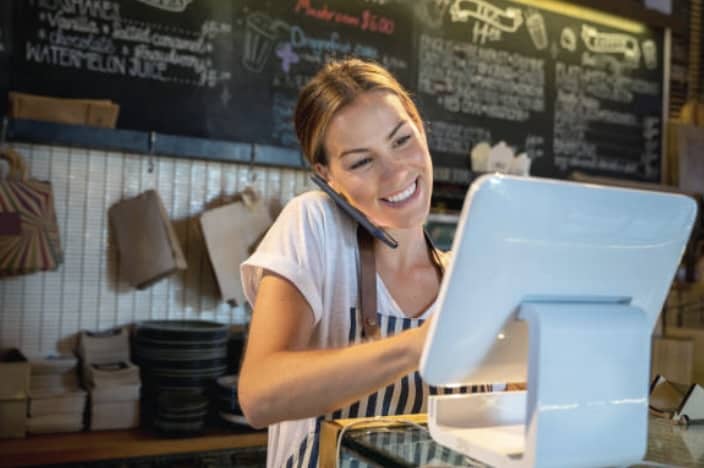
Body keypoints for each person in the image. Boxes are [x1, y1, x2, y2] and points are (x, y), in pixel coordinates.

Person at [238, 58, 487, 468]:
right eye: (361, 161)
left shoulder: (473, 277)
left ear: (420, 128)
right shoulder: (315, 225)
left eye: (401, 140)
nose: (395, 173)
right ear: (328, 176)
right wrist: (420, 345)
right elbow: (259, 397)